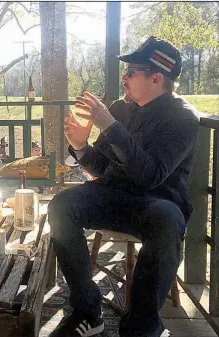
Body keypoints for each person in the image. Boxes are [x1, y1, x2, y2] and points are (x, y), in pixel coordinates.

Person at [48, 36, 200, 337]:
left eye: (131, 71)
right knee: (61, 205)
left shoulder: (182, 117)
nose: (125, 77)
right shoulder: (121, 108)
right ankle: (88, 312)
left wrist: (110, 126)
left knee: (167, 221)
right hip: (113, 194)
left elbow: (152, 176)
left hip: (155, 202)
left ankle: (142, 326)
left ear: (156, 77)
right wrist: (80, 146)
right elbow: (102, 167)